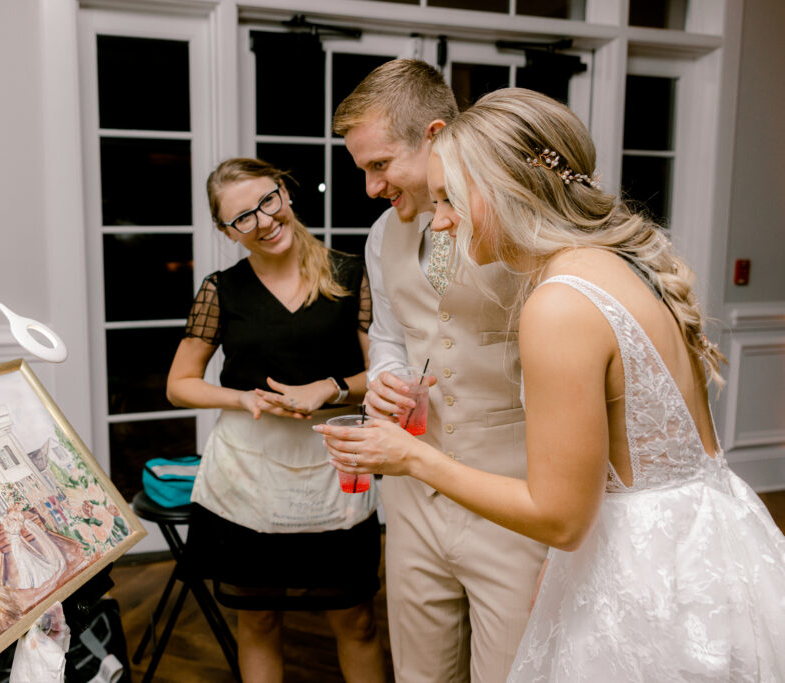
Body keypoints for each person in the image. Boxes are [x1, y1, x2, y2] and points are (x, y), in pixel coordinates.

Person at [318, 87, 785, 680]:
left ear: (501, 185)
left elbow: (562, 514)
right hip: (692, 547)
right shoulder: (623, 262)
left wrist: (409, 456)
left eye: (450, 199)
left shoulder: (556, 300)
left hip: (598, 541)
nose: (443, 223)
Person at [332, 59, 547, 682]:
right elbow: (389, 334)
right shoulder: (381, 236)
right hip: (412, 498)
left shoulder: (526, 230)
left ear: (433, 136)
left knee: (512, 671)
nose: (372, 187)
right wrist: (386, 379)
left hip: (512, 500)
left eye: (380, 165)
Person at [166, 157, 386, 683]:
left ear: (285, 193)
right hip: (249, 475)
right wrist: (242, 399)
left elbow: (383, 374)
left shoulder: (350, 275)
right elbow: (179, 385)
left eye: (268, 202)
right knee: (259, 619)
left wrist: (330, 388)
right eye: (243, 218)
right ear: (226, 231)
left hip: (335, 467)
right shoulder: (222, 289)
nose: (263, 221)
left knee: (355, 621)